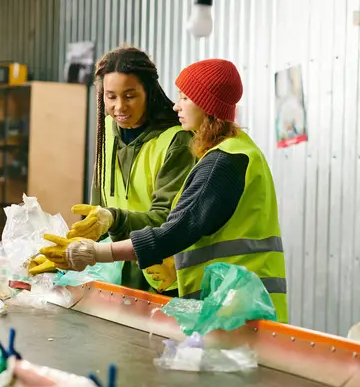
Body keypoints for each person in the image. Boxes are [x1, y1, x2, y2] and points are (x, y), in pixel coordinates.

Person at [41, 59, 288, 323]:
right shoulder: (240, 149)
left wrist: (93, 254)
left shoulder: (221, 163)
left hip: (235, 309)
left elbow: (175, 231)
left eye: (185, 98)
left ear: (207, 105)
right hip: (241, 303)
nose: (176, 105)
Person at [29, 46, 195, 293]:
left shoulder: (177, 141)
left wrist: (113, 220)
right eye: (111, 96)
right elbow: (97, 210)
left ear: (148, 92)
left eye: (130, 96)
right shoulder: (108, 130)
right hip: (116, 267)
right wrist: (69, 253)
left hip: (164, 275)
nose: (119, 107)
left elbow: (167, 221)